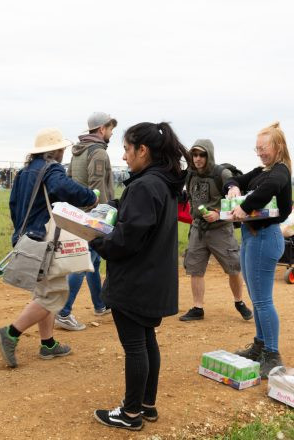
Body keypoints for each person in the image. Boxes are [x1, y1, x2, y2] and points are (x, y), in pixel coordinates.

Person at [91, 122, 190, 431]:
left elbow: (127, 238)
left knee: (135, 346)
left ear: (143, 150)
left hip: (135, 281)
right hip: (152, 278)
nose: (124, 156)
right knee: (146, 341)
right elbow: (138, 216)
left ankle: (130, 413)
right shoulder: (160, 182)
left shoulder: (147, 185)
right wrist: (114, 206)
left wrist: (95, 239)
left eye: (127, 149)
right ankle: (146, 404)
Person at [0, 128, 97, 368]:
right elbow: (65, 189)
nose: (63, 152)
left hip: (27, 237)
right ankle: (11, 333)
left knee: (44, 291)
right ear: (55, 151)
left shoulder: (24, 172)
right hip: (44, 240)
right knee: (54, 294)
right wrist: (90, 197)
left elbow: (13, 206)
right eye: (61, 149)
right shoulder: (51, 169)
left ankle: (48, 343)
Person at [230, 122, 292, 379]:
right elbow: (234, 176)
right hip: (251, 237)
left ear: (277, 147)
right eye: (256, 149)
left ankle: (272, 354)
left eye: (263, 148)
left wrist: (245, 206)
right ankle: (259, 345)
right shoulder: (262, 170)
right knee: (256, 297)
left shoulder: (280, 171)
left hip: (265, 237)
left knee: (263, 299)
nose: (260, 153)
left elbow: (269, 189)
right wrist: (232, 187)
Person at [55, 112, 117, 331]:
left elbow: (69, 181)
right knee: (83, 263)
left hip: (78, 213)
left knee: (94, 262)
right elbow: (97, 187)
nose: (111, 133)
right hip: (93, 216)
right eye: (110, 128)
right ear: (102, 129)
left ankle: (100, 305)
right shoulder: (99, 152)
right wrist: (102, 218)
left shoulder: (77, 152)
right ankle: (63, 312)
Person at [179, 139, 253, 322]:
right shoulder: (190, 174)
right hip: (198, 228)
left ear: (208, 155)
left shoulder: (222, 173)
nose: (197, 159)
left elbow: (235, 201)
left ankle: (239, 302)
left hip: (221, 228)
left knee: (233, 267)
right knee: (195, 268)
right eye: (194, 155)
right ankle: (198, 307)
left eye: (201, 155)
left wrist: (218, 214)